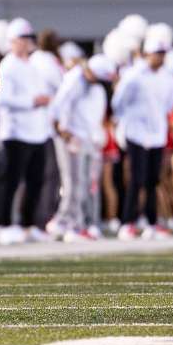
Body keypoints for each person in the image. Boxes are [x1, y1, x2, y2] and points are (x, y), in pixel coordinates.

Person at [0, 17, 52, 244]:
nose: (27, 43)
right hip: (15, 133)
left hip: (37, 132)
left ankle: (29, 224)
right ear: (13, 41)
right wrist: (32, 101)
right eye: (23, 39)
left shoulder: (33, 65)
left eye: (29, 38)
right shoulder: (7, 65)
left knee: (36, 181)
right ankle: (5, 224)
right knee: (10, 181)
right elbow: (1, 98)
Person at [112, 32, 173, 238]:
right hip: (136, 133)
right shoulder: (134, 75)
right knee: (135, 179)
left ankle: (151, 222)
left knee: (152, 180)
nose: (161, 57)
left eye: (163, 53)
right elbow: (118, 102)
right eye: (157, 53)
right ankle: (127, 222)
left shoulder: (167, 77)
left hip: (157, 133)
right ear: (147, 53)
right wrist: (129, 121)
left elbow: (169, 104)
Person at [49, 54, 116, 240]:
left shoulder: (92, 86)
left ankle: (78, 222)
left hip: (85, 138)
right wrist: (62, 131)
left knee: (85, 183)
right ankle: (71, 224)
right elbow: (58, 106)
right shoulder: (76, 79)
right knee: (74, 183)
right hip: (71, 137)